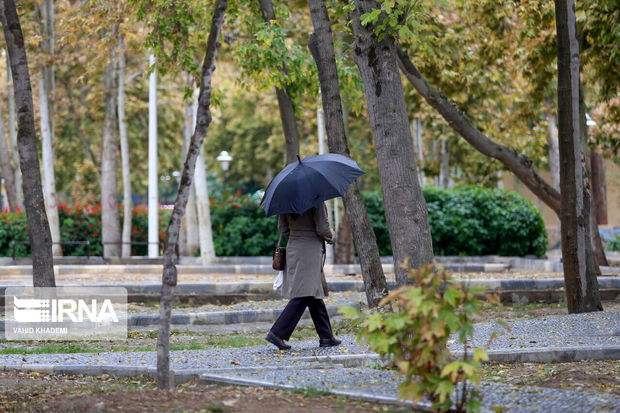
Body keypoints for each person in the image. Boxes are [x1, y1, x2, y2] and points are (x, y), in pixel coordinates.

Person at [265, 202, 342, 350]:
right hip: (310, 250)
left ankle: (326, 336)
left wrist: (297, 235)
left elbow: (283, 229)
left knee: (313, 292)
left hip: (293, 247)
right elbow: (322, 229)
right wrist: (331, 235)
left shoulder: (287, 202)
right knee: (304, 293)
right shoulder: (316, 201)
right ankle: (277, 333)